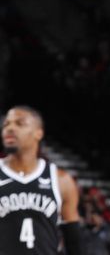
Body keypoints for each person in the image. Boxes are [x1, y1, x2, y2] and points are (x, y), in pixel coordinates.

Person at [0, 106, 82, 254]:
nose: (10, 128)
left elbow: (73, 242)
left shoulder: (61, 180)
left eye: (20, 123)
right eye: (6, 124)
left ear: (39, 133)